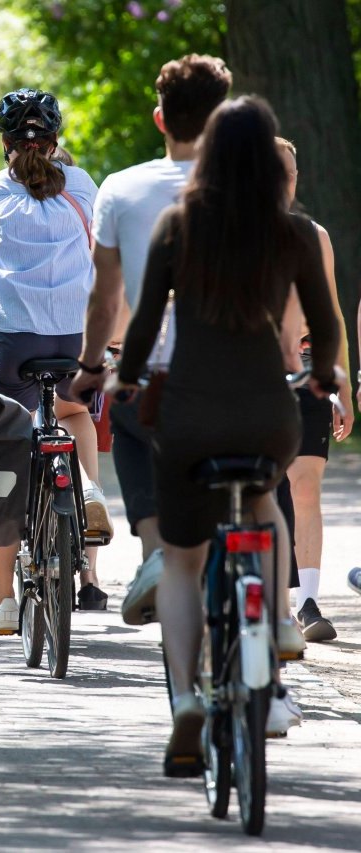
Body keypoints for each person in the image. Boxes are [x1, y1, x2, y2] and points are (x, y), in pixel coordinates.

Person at [115, 97, 340, 774]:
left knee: (184, 559)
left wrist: (124, 382)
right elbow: (324, 325)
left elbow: (146, 322)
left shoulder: (178, 225)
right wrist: (324, 375)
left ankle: (187, 694)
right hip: (268, 412)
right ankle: (275, 619)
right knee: (266, 498)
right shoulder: (292, 231)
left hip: (189, 413)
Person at [0, 88, 112, 634]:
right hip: (78, 341)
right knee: (74, 413)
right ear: (56, 139)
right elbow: (105, 260)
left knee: (6, 445)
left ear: (3, 141)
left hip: (13, 344)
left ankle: (4, 599)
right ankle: (87, 523)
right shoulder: (83, 186)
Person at [70, 55, 232, 625]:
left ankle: (155, 549)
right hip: (243, 374)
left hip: (162, 375)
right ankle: (278, 609)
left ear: (160, 118)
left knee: (131, 420)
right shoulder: (255, 185)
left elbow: (105, 299)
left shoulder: (121, 188)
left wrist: (93, 363)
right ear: (224, 119)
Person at [274, 137, 354, 642]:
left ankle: (306, 602)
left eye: (291, 173)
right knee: (256, 489)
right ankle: (258, 599)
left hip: (304, 369)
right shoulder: (229, 233)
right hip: (247, 369)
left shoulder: (313, 235)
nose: (284, 181)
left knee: (305, 486)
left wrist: (342, 384)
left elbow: (332, 316)